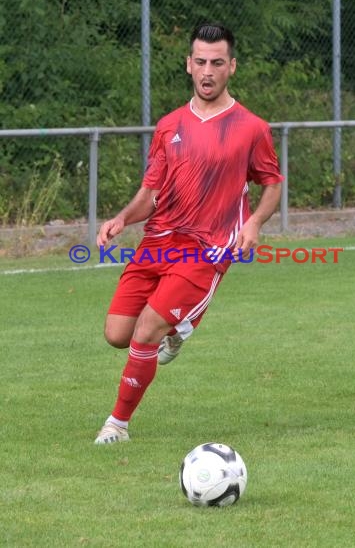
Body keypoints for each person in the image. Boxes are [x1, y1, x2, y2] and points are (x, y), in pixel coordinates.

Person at [94, 22, 284, 444]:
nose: (208, 71)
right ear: (188, 65)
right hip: (159, 243)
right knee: (117, 335)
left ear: (232, 67)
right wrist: (123, 219)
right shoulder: (169, 126)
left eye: (217, 62)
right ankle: (181, 328)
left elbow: (272, 184)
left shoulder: (251, 127)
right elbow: (150, 193)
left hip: (209, 250)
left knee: (146, 331)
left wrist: (253, 223)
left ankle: (117, 425)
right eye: (200, 61)